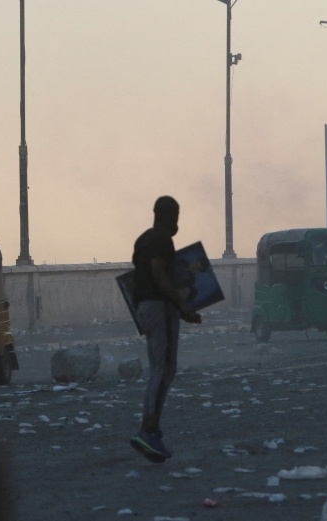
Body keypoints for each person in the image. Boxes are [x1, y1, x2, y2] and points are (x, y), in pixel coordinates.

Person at [129, 196, 202, 463]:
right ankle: (150, 431)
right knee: (165, 369)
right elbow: (159, 272)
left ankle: (148, 429)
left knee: (157, 370)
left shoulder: (143, 239)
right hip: (160, 309)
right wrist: (182, 304)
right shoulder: (162, 240)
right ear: (172, 216)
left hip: (146, 309)